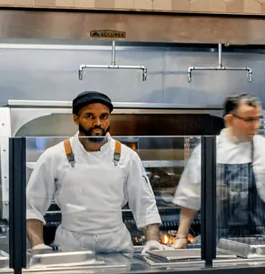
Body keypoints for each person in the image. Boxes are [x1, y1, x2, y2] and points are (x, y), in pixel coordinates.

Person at [24, 90, 162, 254]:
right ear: (76, 118)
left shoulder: (128, 156)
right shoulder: (53, 156)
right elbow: (32, 206)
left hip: (117, 248)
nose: (98, 123)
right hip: (71, 249)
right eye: (90, 116)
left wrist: (153, 241)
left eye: (104, 117)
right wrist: (38, 245)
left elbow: (145, 204)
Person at [170, 93, 265, 243]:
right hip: (218, 244)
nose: (256, 125)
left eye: (258, 119)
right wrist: (181, 236)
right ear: (229, 120)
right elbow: (190, 198)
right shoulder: (207, 152)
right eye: (249, 120)